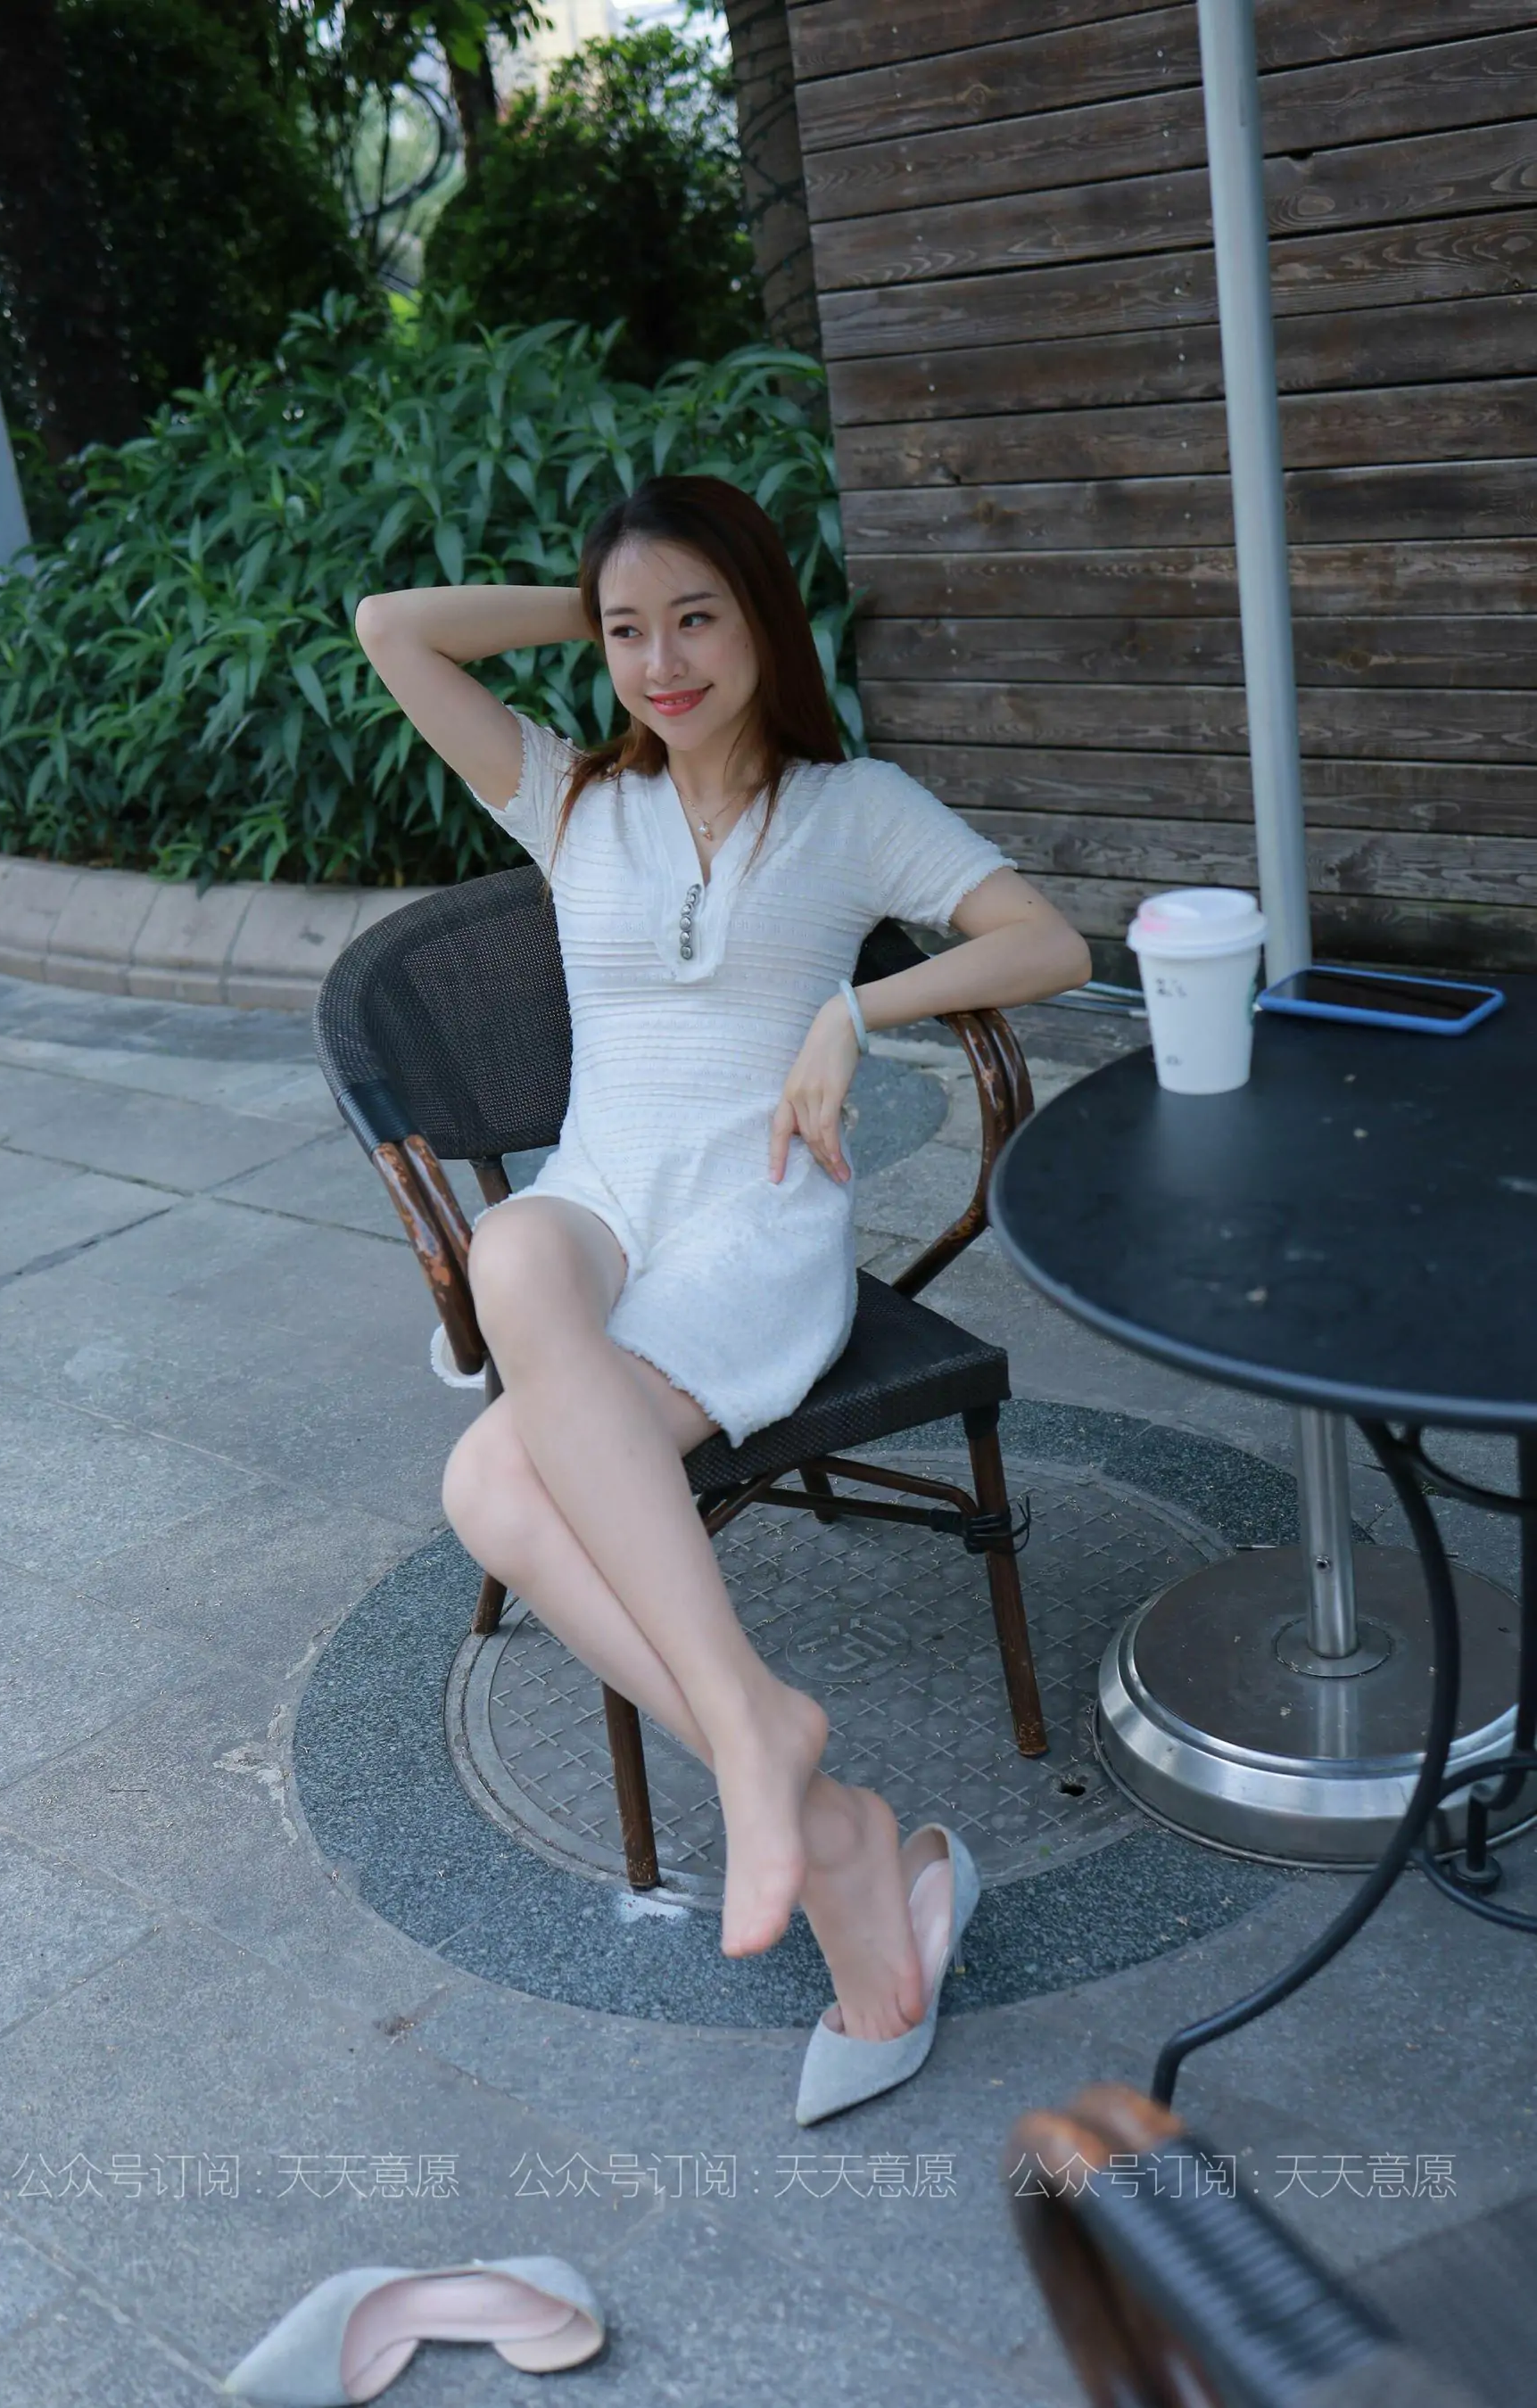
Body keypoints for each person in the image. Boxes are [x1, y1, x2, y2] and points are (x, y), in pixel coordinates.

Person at [354, 474, 1091, 2107]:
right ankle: (768, 1748)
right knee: (513, 1245)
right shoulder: (570, 798)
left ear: (764, 615)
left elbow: (1053, 945)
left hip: (753, 1224)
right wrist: (602, 603)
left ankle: (829, 1838)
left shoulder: (854, 807)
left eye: (699, 618)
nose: (662, 663)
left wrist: (858, 1012)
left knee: (490, 1482)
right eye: (632, 634)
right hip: (601, 1203)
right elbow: (392, 629)